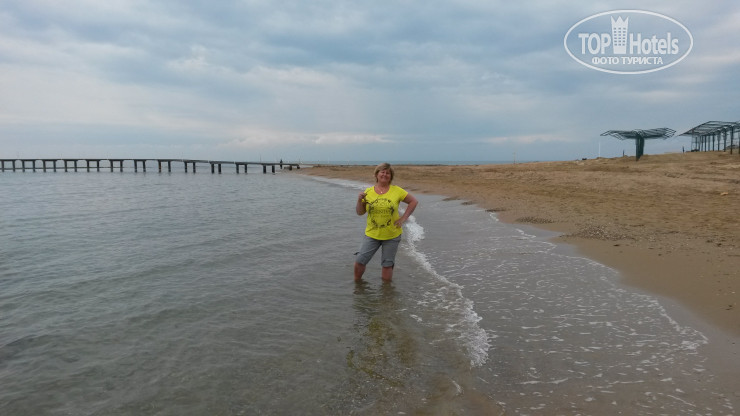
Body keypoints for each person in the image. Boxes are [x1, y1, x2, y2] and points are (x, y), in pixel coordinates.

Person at [354, 163, 418, 283]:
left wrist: (403, 218)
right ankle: (357, 286)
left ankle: (386, 290)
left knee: (387, 264)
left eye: (388, 173)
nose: (385, 174)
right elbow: (360, 212)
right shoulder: (368, 192)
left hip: (391, 235)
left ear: (391, 176)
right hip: (372, 234)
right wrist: (359, 200)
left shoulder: (397, 191)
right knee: (360, 261)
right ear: (376, 174)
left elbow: (413, 201)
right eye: (382, 172)